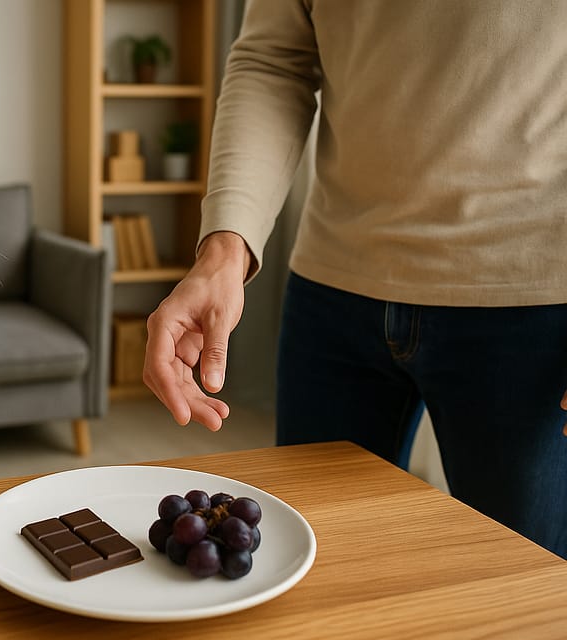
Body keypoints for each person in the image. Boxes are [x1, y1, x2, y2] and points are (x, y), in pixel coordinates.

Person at [143, 0, 567, 560]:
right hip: (334, 289)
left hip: (530, 301)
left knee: (523, 594)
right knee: (311, 568)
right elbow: (274, 61)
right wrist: (226, 247)